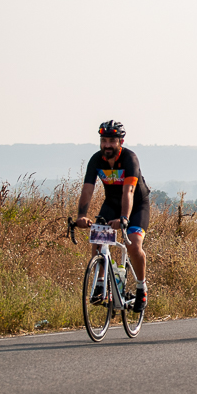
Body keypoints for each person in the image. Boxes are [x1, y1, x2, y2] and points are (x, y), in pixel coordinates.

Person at [76, 120, 150, 313]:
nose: (107, 145)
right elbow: (87, 190)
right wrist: (81, 216)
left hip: (136, 206)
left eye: (111, 141)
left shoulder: (129, 159)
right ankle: (100, 283)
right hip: (111, 204)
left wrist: (124, 218)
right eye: (104, 140)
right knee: (98, 236)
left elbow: (129, 191)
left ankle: (141, 288)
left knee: (133, 245)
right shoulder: (96, 160)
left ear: (120, 142)